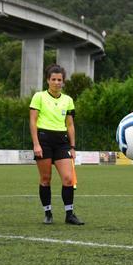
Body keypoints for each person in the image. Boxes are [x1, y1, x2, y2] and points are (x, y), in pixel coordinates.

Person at [30, 64, 84, 225]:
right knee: (46, 179)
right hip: (44, 139)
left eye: (59, 80)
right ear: (48, 80)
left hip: (62, 142)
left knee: (68, 179)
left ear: (63, 82)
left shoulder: (68, 100)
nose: (56, 82)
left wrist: (73, 147)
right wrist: (36, 144)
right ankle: (48, 212)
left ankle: (69, 214)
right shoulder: (39, 97)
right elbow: (32, 121)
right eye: (53, 79)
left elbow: (70, 125)